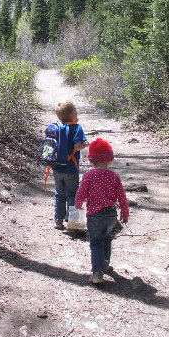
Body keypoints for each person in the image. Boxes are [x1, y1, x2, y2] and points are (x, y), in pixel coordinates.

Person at [75, 138, 129, 284]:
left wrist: (78, 205)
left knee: (96, 242)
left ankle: (97, 272)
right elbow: (122, 198)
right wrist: (124, 213)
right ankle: (104, 262)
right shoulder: (114, 177)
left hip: (94, 215)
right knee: (107, 238)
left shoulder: (88, 176)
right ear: (110, 159)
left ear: (91, 160)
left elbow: (81, 193)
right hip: (111, 215)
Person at [51, 100, 89, 230]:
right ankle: (74, 223)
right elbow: (78, 146)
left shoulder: (56, 127)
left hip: (56, 167)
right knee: (72, 193)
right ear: (73, 113)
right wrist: (86, 143)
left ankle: (58, 220)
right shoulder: (77, 128)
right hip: (71, 168)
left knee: (59, 194)